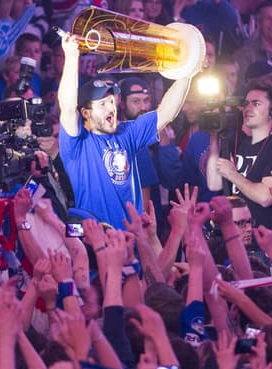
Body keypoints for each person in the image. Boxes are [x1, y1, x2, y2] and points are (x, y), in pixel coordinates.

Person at [57, 28, 194, 228]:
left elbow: (166, 113)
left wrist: (187, 72)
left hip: (133, 243)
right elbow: (68, 108)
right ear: (85, 113)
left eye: (112, 101)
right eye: (102, 104)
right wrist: (71, 56)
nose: (111, 107)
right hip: (98, 244)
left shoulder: (126, 133)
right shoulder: (77, 144)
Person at [206, 80, 272, 241]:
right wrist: (214, 137)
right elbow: (214, 184)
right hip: (233, 238)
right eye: (246, 104)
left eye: (256, 103)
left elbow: (265, 197)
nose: (248, 108)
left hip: (263, 240)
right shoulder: (237, 142)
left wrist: (233, 175)